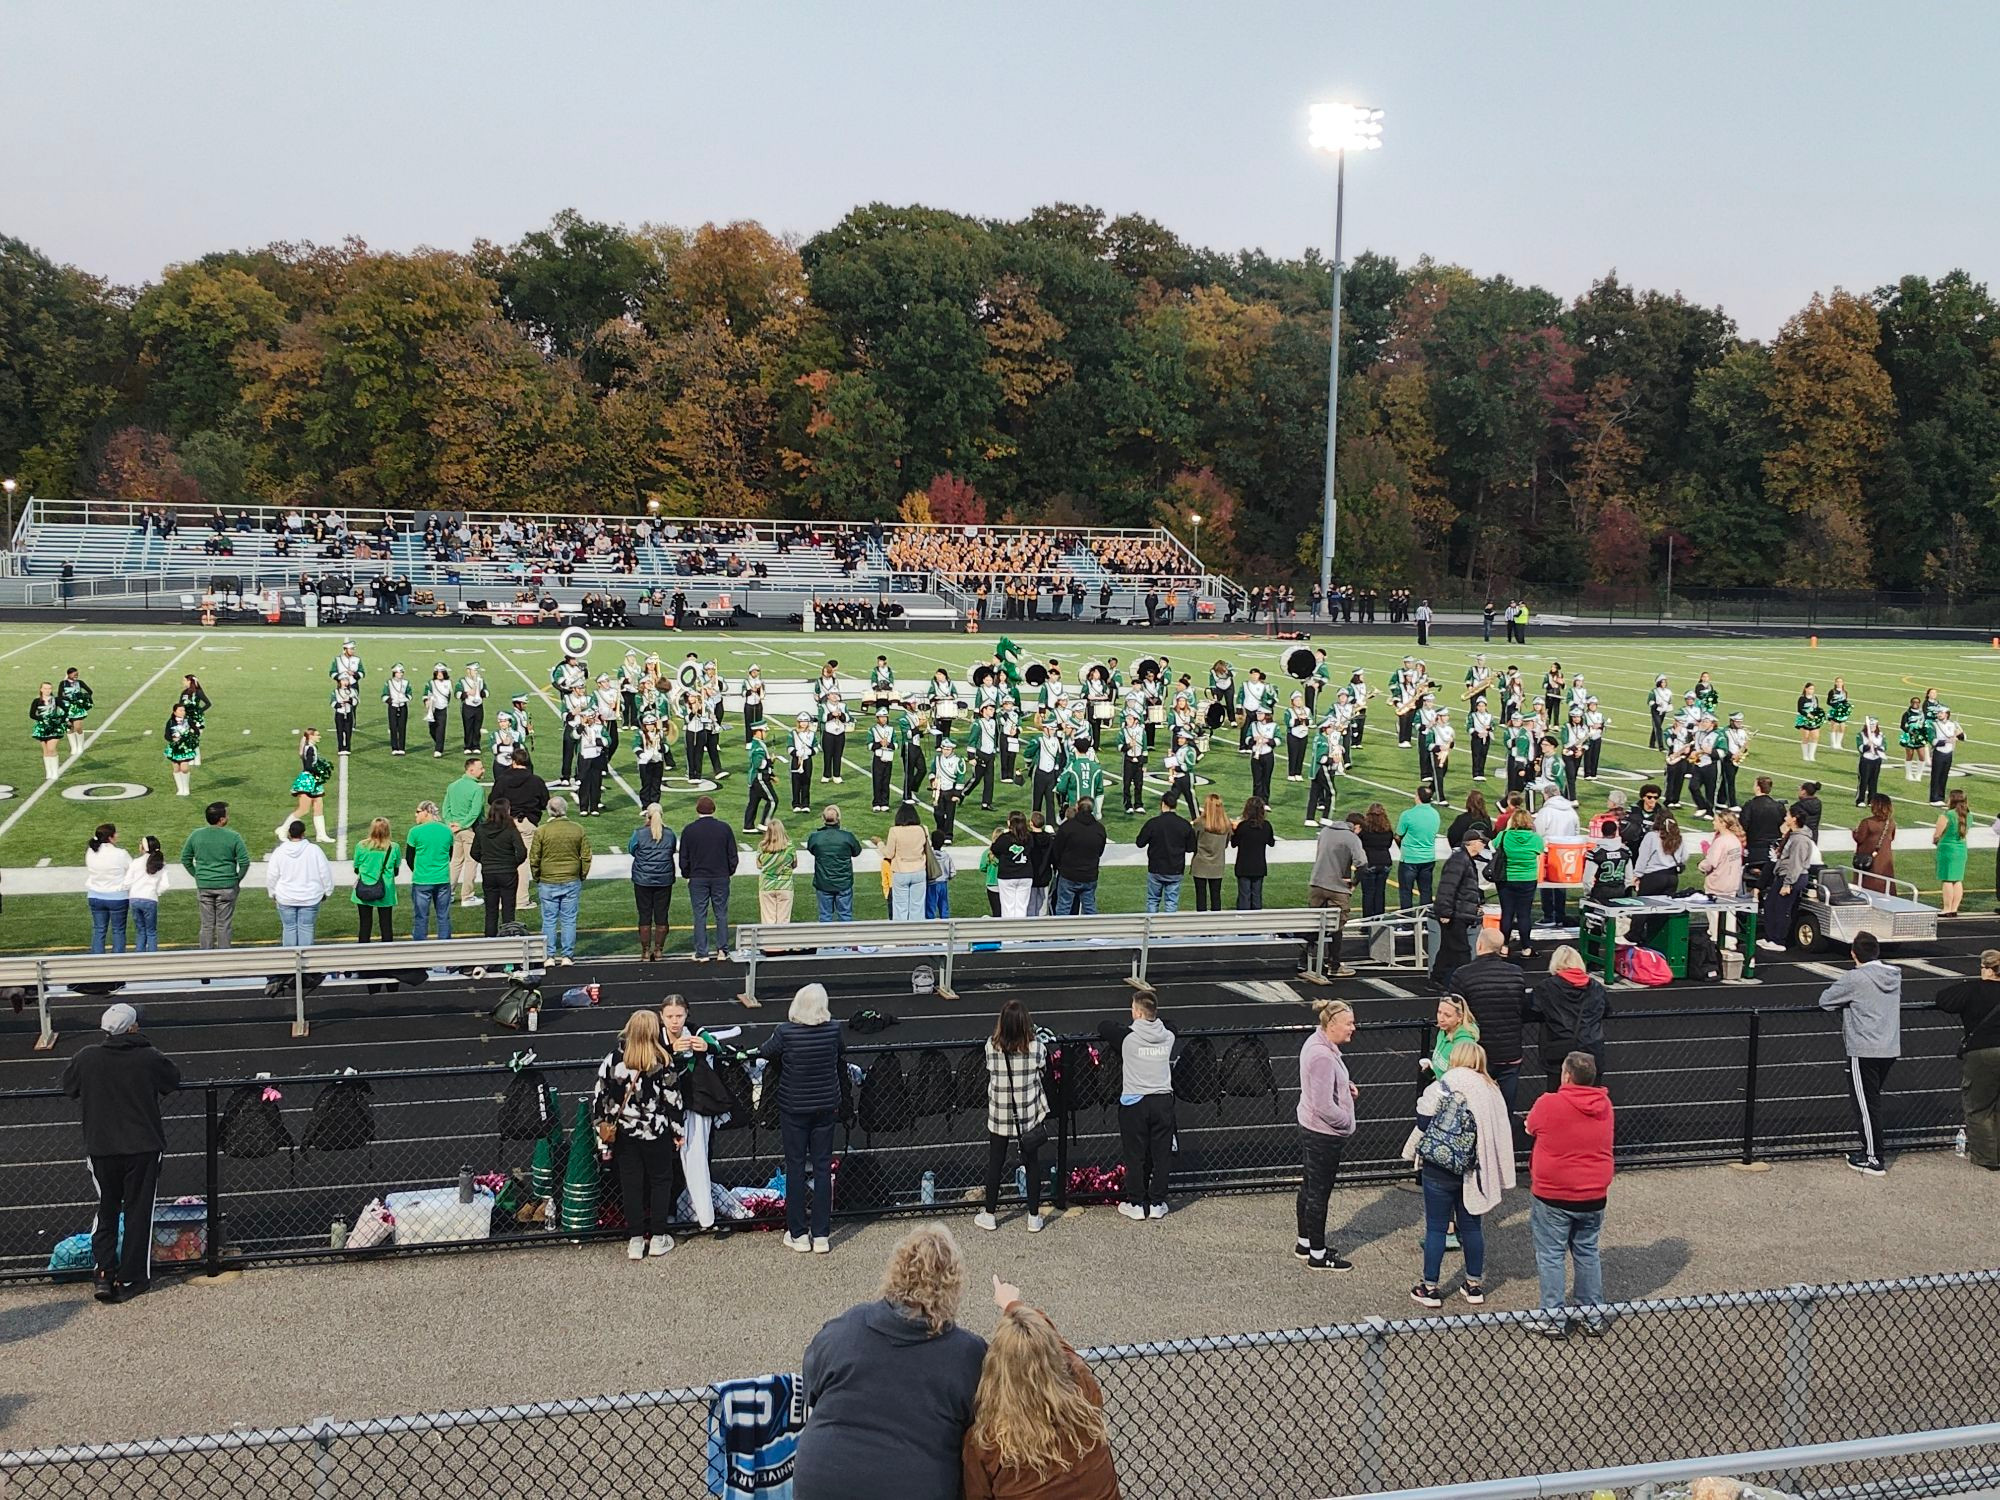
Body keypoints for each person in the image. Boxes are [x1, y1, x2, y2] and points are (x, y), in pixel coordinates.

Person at [796, 1224, 986, 1500]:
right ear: (952, 1284)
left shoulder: (845, 1328)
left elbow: (811, 1384)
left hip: (823, 1479)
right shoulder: (968, 1353)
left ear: (896, 1271)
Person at [60, 1004, 181, 1303]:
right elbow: (172, 1080)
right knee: (139, 1212)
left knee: (107, 1209)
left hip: (102, 1147)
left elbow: (68, 1087)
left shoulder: (86, 1057)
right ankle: (133, 1276)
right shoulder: (148, 1056)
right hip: (143, 1146)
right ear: (132, 1028)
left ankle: (103, 1272)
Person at [962, 1278, 1119, 1500]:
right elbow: (1057, 1345)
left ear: (998, 1368)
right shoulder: (1084, 1394)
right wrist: (1012, 1305)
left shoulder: (988, 1442)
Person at [1408, 1040, 1514, 1309]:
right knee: (1472, 1226)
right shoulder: (1491, 1089)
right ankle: (1473, 1285)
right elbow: (1500, 1128)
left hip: (1439, 1166)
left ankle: (1430, 1287)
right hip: (1472, 1168)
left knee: (1436, 1227)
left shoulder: (1443, 1083)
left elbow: (1423, 1120)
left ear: (1456, 1058)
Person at [1523, 1050, 1616, 1338]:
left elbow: (1530, 1127)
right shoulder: (1604, 1105)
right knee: (1587, 1251)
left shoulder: (1549, 1103)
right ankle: (1592, 1315)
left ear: (1566, 1075)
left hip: (1554, 1193)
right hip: (1593, 1192)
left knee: (1551, 1255)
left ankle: (1553, 1317)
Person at [591, 1008, 684, 1261]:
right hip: (655, 1130)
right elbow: (673, 1100)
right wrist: (678, 1130)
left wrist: (601, 1126)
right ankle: (657, 1236)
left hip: (625, 1132)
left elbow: (601, 1097)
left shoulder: (614, 1059)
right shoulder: (662, 1059)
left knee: (631, 1183)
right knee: (660, 1181)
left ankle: (634, 1239)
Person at [758, 983, 846, 1252]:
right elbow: (840, 1052)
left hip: (794, 1108)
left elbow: (765, 1051)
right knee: (822, 1169)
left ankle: (798, 1233)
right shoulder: (833, 1030)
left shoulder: (786, 1032)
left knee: (795, 1168)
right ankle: (821, 1234)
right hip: (825, 1107)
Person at [1818, 931, 1902, 1176]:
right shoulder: (1894, 975)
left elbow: (1826, 1000)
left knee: (1866, 1105)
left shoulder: (1855, 978)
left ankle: (1873, 1157)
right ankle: (1871, 1152)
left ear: (1853, 953)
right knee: (1871, 1101)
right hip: (1889, 1046)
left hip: (1864, 1048)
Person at [1100, 992, 1177, 1220]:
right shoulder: (1168, 1036)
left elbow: (1104, 1026)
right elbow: (1172, 1025)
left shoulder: (1128, 1037)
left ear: (1140, 1013)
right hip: (1162, 1100)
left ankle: (1135, 1202)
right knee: (1161, 1154)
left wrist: (1134, 1026)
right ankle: (1157, 1202)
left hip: (1136, 1102)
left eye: (1133, 1009)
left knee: (1135, 1155)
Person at [1295, 999, 1358, 1271]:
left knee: (1309, 1186)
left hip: (1311, 1127)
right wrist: (1346, 1122)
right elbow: (1323, 1105)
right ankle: (1318, 1255)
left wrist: (1345, 1086)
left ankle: (1305, 1242)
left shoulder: (1317, 1044)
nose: (1353, 1028)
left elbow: (1322, 1086)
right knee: (1319, 1192)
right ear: (1331, 1025)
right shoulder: (1321, 1055)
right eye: (1349, 1023)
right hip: (1323, 1133)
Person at [978, 1000, 1050, 1233]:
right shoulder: (1036, 1047)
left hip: (1000, 1112)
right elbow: (1042, 1064)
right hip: (1026, 1114)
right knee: (1032, 1165)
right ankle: (1033, 1216)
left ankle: (990, 1213)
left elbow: (990, 1066)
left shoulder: (992, 1046)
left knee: (995, 1164)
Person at [1450, 927, 1530, 1113]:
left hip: (1476, 1052)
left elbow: (1454, 1013)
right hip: (1509, 1052)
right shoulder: (1516, 973)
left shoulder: (1462, 975)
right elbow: (1523, 1008)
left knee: (1473, 1109)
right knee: (1504, 1110)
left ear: (1479, 945)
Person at [1934, 950, 2000, 1170]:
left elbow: (1943, 999)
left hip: (1982, 1052)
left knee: (1978, 1106)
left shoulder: (1974, 990)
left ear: (1987, 969)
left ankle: (1987, 1157)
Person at [1528, 944, 1611, 1088]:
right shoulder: (1596, 987)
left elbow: (1532, 1010)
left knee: (1559, 1100)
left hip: (1558, 1051)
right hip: (1590, 1049)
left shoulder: (1547, 987)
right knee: (1592, 1098)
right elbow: (1606, 1010)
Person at [528, 796, 591, 966]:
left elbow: (534, 857)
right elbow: (586, 856)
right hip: (571, 878)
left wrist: (537, 876)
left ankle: (548, 956)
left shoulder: (542, 830)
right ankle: (567, 956)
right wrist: (582, 875)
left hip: (548, 879)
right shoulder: (577, 829)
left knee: (549, 919)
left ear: (549, 810)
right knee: (569, 919)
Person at [179, 801, 250, 950]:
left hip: (205, 886)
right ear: (222, 819)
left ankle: (206, 960)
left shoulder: (196, 835)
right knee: (224, 925)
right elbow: (244, 862)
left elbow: (185, 859)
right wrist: (236, 879)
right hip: (227, 886)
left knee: (206, 925)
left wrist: (198, 875)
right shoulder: (233, 836)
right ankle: (224, 960)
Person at [679, 795, 738, 961]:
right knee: (721, 914)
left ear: (697, 810)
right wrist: (729, 871)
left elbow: (684, 857)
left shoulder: (689, 830)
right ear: (713, 809)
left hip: (698, 877)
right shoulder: (724, 828)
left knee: (700, 915)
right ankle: (722, 950)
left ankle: (702, 952)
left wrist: (687, 874)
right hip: (720, 876)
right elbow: (732, 854)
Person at [493, 750, 549, 916]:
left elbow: (493, 799)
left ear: (513, 761)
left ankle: (505, 900)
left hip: (505, 822)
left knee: (505, 861)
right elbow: (545, 801)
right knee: (523, 862)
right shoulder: (535, 780)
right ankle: (522, 899)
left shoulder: (503, 779)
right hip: (527, 822)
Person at [1429, 824, 1488, 981]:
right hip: (1455, 914)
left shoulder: (1463, 859)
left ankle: (1437, 979)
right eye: (1481, 841)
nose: (1483, 845)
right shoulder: (1460, 860)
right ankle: (1465, 982)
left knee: (1448, 950)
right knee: (1461, 951)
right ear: (1472, 842)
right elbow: (1447, 887)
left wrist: (1475, 906)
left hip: (1458, 911)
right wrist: (1445, 912)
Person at [266, 820, 333, 948]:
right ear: (303, 833)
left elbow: (272, 875)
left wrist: (272, 892)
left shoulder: (280, 851)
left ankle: (290, 962)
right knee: (306, 927)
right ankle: (304, 962)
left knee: (289, 928)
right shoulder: (314, 850)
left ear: (289, 834)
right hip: (310, 897)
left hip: (286, 897)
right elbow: (325, 871)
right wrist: (327, 890)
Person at [1490, 807, 1543, 960]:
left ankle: (1504, 946)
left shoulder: (1504, 835)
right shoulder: (1535, 838)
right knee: (1524, 914)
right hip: (1527, 879)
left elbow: (1493, 845)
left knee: (1507, 913)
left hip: (1506, 879)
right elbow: (1540, 850)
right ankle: (1526, 947)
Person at [1757, 809, 1813, 953]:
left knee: (1781, 909)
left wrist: (1788, 883)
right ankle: (1771, 937)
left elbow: (1796, 864)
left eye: (1788, 815)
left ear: (1794, 819)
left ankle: (1778, 940)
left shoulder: (1800, 839)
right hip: (1786, 875)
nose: (1785, 817)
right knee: (1771, 905)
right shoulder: (1794, 836)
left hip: (1792, 877)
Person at [469, 797, 526, 937]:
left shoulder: (481, 829)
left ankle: (490, 939)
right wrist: (512, 863)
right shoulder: (510, 828)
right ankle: (508, 937)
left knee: (491, 909)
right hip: (508, 872)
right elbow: (522, 852)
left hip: (489, 872)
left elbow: (474, 852)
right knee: (508, 908)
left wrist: (487, 862)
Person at [627, 804, 678, 961]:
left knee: (645, 915)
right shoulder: (669, 834)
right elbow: (672, 849)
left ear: (647, 816)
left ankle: (645, 951)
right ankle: (659, 950)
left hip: (643, 880)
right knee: (662, 915)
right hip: (664, 880)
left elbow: (631, 849)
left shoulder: (639, 833)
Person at [1135, 793, 1197, 913]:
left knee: (1153, 900)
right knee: (1171, 903)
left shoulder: (1153, 823)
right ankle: (1169, 930)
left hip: (1156, 868)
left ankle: (1152, 929)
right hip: (1175, 868)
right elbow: (1191, 847)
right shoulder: (1184, 824)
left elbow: (1140, 842)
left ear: (1163, 804)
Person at [404, 801, 455, 943]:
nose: (415, 814)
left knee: (421, 916)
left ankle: (420, 949)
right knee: (443, 916)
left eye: (418, 811)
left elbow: (409, 858)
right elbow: (449, 854)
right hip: (442, 879)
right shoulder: (446, 830)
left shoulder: (415, 832)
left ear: (426, 812)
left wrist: (419, 870)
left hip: (422, 880)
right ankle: (445, 947)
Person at [443, 756, 487, 909]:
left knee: (455, 862)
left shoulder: (452, 786)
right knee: (471, 862)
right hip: (469, 830)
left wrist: (451, 825)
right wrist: (462, 825)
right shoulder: (477, 789)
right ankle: (467, 896)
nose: (483, 770)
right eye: (481, 768)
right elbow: (475, 813)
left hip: (454, 830)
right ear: (471, 770)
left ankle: (447, 894)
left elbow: (446, 809)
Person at [1049, 799, 1107, 916]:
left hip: (1068, 874)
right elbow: (1100, 851)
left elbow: (1057, 850)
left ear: (1078, 808)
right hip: (1089, 875)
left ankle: (1063, 934)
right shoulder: (1099, 829)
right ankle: (1090, 934)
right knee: (1090, 908)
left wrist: (1059, 866)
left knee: (1063, 908)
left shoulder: (1067, 827)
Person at [350, 816, 401, 943]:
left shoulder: (361, 846)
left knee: (364, 924)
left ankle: (363, 953)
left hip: (364, 889)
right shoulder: (393, 847)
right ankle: (387, 954)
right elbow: (396, 870)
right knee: (386, 924)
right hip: (386, 890)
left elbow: (356, 867)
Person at [84, 824, 132, 954]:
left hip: (95, 895)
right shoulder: (121, 854)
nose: (118, 835)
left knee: (99, 929)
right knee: (118, 930)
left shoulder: (91, 851)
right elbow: (132, 871)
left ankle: (96, 961)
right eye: (115, 833)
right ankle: (117, 961)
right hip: (117, 896)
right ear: (110, 837)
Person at [1395, 786, 1441, 910]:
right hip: (1428, 857)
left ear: (1418, 797)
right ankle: (1426, 920)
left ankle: (1407, 924)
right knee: (1426, 891)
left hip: (1410, 858)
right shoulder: (1435, 814)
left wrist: (1403, 848)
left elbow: (1398, 835)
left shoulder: (1408, 815)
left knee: (1406, 892)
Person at [122, 836, 168, 953]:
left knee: (140, 930)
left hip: (135, 899)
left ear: (143, 848)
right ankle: (152, 957)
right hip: (150, 899)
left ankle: (139, 956)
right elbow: (165, 884)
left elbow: (127, 882)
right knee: (151, 931)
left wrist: (129, 891)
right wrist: (155, 892)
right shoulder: (160, 864)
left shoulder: (136, 862)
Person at [1230, 796, 1276, 910]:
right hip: (1259, 866)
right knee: (1256, 896)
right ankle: (1257, 922)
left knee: (1244, 896)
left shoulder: (1243, 826)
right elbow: (1271, 842)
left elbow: (1233, 843)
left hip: (1243, 866)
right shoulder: (1266, 826)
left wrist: (1234, 830)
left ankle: (1243, 921)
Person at [1190, 794, 1232, 913]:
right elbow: (1226, 844)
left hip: (1200, 864)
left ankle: (1201, 926)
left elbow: (1193, 842)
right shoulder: (1226, 824)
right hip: (1217, 864)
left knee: (1201, 898)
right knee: (1216, 897)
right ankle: (1215, 926)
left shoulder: (1199, 823)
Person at [1852, 794, 1897, 896]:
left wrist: (1854, 832)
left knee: (1867, 881)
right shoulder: (1891, 823)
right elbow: (1892, 838)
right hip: (1884, 857)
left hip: (1867, 856)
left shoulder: (1867, 822)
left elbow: (1859, 838)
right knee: (1884, 881)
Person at [1935, 788, 1969, 917]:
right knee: (1958, 880)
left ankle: (1947, 908)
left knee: (1947, 880)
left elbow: (1937, 834)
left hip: (1947, 849)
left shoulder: (1947, 815)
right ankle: (1954, 908)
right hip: (1961, 849)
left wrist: (1936, 841)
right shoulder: (1968, 815)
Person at [1356, 804, 1394, 919]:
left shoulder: (1365, 830)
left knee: (1368, 894)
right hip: (1385, 862)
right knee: (1380, 893)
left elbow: (1359, 844)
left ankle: (1367, 922)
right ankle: (1379, 920)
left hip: (1370, 862)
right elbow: (1388, 844)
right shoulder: (1388, 830)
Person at [756, 817, 796, 925]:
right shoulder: (790, 847)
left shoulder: (762, 847)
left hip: (767, 886)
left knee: (768, 921)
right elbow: (794, 864)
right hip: (785, 886)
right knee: (783, 922)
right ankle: (781, 942)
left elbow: (759, 865)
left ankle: (769, 942)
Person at [1699, 811, 1745, 900]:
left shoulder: (1720, 842)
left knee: (1713, 911)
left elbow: (1710, 863)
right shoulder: (1736, 840)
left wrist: (1700, 866)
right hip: (1732, 884)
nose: (1713, 822)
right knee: (1730, 911)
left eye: (1716, 821)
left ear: (1723, 824)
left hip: (1717, 885)